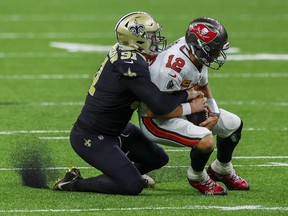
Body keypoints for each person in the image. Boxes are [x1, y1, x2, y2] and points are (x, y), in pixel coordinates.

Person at [53, 11, 207, 195]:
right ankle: (73, 183)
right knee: (133, 186)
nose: (156, 40)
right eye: (151, 36)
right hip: (92, 136)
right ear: (136, 40)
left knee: (158, 158)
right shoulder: (131, 65)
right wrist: (187, 95)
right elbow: (158, 104)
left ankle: (125, 174)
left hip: (117, 130)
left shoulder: (128, 52)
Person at [138, 17, 249, 195]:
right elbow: (155, 111)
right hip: (155, 121)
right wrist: (193, 108)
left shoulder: (195, 53)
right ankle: (197, 176)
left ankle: (222, 169)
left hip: (180, 105)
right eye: (213, 50)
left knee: (233, 125)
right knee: (206, 140)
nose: (217, 55)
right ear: (198, 46)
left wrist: (214, 113)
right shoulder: (171, 68)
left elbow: (202, 85)